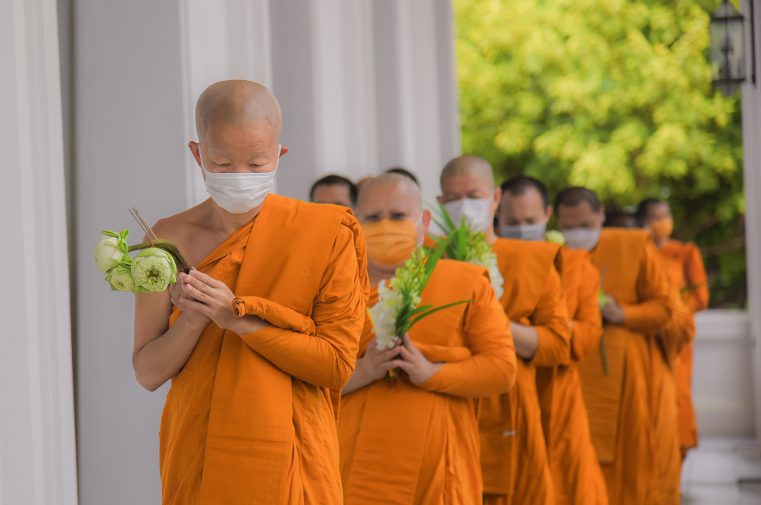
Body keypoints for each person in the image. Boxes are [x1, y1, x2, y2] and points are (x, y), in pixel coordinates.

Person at [132, 80, 369, 504]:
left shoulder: (324, 233)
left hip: (294, 457)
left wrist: (236, 318)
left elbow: (335, 366)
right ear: (197, 154)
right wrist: (192, 319)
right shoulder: (165, 240)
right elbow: (147, 372)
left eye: (257, 164)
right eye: (222, 164)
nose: (240, 177)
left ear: (279, 156)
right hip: (198, 452)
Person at [339, 173, 517, 505]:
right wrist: (364, 371)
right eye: (373, 218)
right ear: (355, 223)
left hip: (437, 469)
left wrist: (431, 372)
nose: (386, 225)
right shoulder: (331, 290)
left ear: (423, 220)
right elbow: (301, 380)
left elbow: (502, 369)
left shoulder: (464, 282)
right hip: (353, 466)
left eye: (398, 216)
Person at [439, 156, 570, 505]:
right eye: (453, 198)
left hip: (513, 407)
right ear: (439, 204)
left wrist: (493, 326)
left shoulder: (532, 259)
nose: (464, 205)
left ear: (495, 198)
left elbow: (558, 344)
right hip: (445, 402)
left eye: (474, 194)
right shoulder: (426, 261)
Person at [554, 187, 676, 505]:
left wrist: (624, 314)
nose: (576, 234)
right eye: (568, 227)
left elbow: (665, 307)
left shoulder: (633, 245)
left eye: (584, 224)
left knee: (629, 463)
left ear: (600, 215)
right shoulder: (554, 255)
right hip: (576, 370)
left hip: (626, 377)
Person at [497, 176, 608, 505]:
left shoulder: (575, 265)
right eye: (512, 222)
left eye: (530, 221)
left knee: (568, 482)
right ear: (497, 219)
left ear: (547, 214)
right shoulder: (486, 264)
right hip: (508, 393)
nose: (521, 228)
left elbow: (587, 335)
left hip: (559, 391)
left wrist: (544, 330)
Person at [637, 198, 708, 460]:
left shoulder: (685, 252)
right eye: (656, 216)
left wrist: (671, 311)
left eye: (666, 215)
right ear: (644, 221)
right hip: (646, 336)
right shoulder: (639, 251)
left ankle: (678, 456)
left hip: (677, 340)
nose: (662, 222)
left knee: (678, 395)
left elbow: (701, 297)